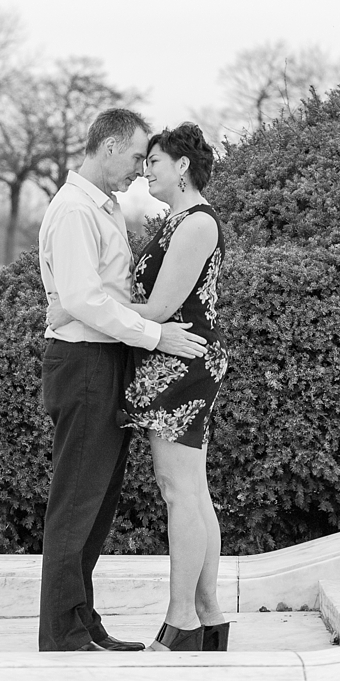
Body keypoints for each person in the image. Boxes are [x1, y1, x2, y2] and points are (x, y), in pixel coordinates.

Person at [48, 122, 230, 653]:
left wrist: (77, 303)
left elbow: (157, 310)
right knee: (191, 492)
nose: (145, 170)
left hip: (180, 361)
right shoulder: (176, 221)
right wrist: (86, 301)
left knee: (182, 493)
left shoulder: (195, 223)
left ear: (183, 168)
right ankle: (207, 616)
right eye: (141, 159)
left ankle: (182, 624)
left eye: (154, 162)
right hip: (170, 359)